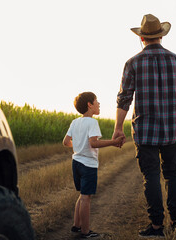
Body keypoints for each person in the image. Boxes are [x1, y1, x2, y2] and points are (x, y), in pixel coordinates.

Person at [112, 14, 176, 238]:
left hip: (145, 132)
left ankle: (157, 227)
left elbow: (123, 99)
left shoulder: (132, 63)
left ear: (142, 38)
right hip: (171, 131)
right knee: (173, 174)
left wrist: (118, 128)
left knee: (151, 177)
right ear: (160, 36)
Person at [63, 91, 124, 239]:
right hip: (88, 165)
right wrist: (113, 142)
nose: (99, 104)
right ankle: (85, 232)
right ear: (90, 105)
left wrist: (78, 145)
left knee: (82, 195)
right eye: (97, 101)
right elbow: (94, 143)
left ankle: (76, 226)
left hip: (76, 162)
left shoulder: (75, 122)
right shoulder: (92, 122)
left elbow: (65, 142)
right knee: (86, 198)